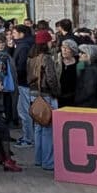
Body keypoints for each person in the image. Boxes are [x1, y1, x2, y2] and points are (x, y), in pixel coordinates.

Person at [27, 33, 60, 170]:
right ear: (45, 43)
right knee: (47, 128)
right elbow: (51, 78)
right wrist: (57, 92)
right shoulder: (46, 58)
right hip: (45, 94)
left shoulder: (30, 58)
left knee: (38, 127)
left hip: (33, 94)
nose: (51, 43)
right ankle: (48, 161)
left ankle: (39, 158)